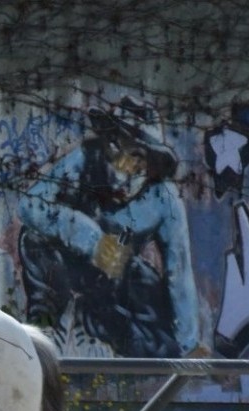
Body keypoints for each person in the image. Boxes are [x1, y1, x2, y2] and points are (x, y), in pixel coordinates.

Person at [17, 96, 200, 357]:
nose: (122, 161)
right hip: (68, 265)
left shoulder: (164, 197)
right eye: (114, 144)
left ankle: (100, 327)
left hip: (114, 282)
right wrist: (91, 239)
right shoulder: (84, 160)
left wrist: (189, 342)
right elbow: (30, 206)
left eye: (136, 155)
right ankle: (46, 327)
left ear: (151, 160)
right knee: (33, 239)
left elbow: (178, 269)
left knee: (162, 344)